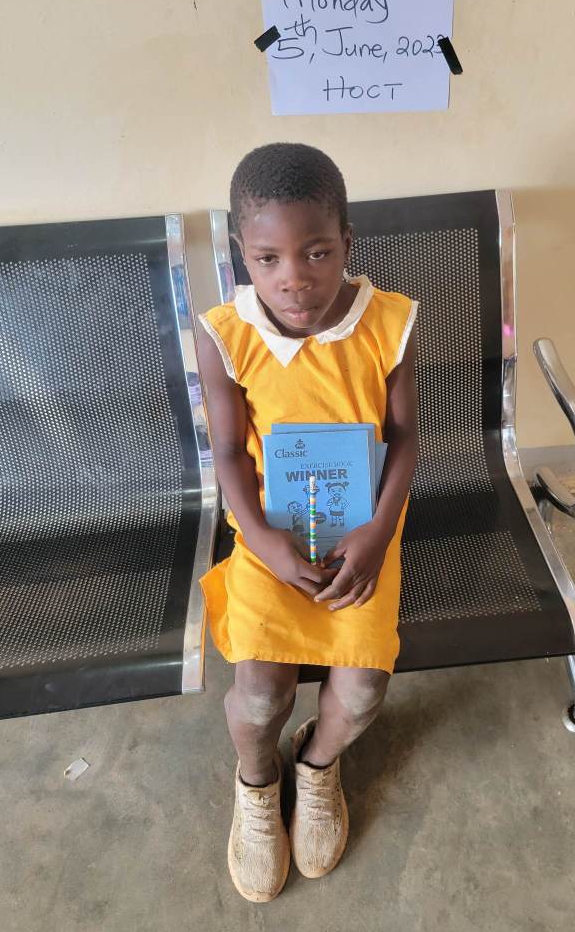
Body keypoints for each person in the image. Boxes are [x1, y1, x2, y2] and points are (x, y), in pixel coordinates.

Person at [197, 143, 418, 903]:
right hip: (271, 539)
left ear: (347, 242)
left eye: (317, 252)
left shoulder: (389, 323)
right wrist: (264, 542)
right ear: (243, 255)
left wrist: (378, 533)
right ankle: (258, 782)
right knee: (260, 696)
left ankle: (317, 765)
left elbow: (406, 436)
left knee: (360, 696)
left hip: (362, 536)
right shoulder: (225, 334)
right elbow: (230, 451)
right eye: (269, 258)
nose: (294, 277)